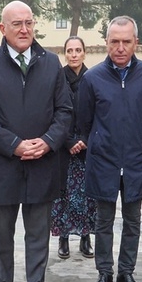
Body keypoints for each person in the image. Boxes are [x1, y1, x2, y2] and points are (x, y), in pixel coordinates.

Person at [0, 0, 73, 282]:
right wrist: (14, 144)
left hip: (42, 163)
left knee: (38, 233)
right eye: (17, 23)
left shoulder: (51, 63)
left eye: (29, 22)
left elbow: (65, 111)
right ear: (3, 28)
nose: (24, 29)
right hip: (3, 164)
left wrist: (48, 141)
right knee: (1, 236)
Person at [78, 17, 142, 282]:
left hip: (137, 160)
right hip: (104, 160)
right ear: (106, 43)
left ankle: (127, 272)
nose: (121, 47)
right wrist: (100, 144)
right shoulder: (92, 78)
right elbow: (84, 122)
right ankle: (104, 272)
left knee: (133, 220)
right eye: (115, 41)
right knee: (103, 221)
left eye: (127, 41)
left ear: (136, 42)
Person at [50, 36, 95, 260]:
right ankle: (64, 238)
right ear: (64, 53)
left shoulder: (93, 78)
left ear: (84, 53)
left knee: (87, 194)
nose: (74, 54)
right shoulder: (58, 79)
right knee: (64, 194)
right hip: (63, 145)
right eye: (70, 50)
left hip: (87, 146)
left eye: (78, 50)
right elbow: (53, 113)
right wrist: (67, 140)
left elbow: (98, 113)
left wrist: (85, 139)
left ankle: (86, 237)